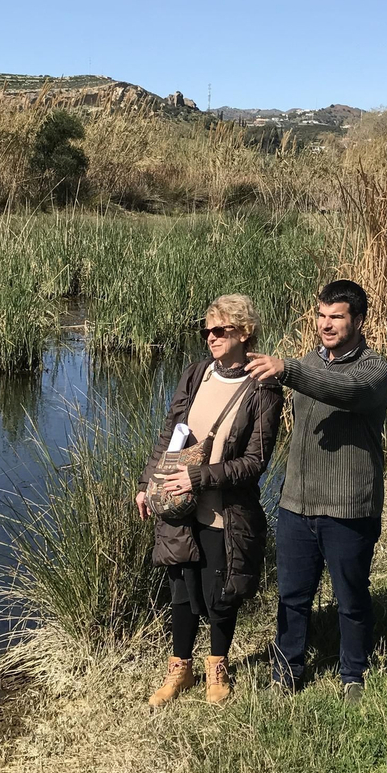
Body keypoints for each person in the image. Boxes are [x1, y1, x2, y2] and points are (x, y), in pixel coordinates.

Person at [246, 279, 387, 702]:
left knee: (351, 595)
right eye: (321, 315)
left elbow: (345, 392)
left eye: (336, 317)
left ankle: (353, 674)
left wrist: (288, 370)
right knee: (292, 596)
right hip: (295, 504)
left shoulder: (373, 370)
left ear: (359, 321)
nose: (325, 325)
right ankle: (286, 673)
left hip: (349, 507)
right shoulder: (310, 361)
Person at [137, 294, 284, 708]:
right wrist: (148, 482)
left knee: (221, 593)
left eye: (220, 330)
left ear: (245, 332)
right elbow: (170, 434)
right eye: (207, 330)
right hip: (178, 505)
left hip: (225, 511)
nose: (211, 337)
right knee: (180, 588)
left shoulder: (264, 388)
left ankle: (216, 668)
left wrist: (199, 477)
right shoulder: (197, 373)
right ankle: (179, 669)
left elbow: (255, 463)